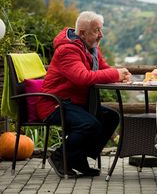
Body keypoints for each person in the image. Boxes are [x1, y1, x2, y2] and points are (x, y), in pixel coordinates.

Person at [36, 11, 131, 178]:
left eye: (101, 30)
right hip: (55, 104)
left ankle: (77, 158)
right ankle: (59, 156)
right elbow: (82, 78)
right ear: (82, 33)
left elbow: (103, 68)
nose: (101, 35)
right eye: (96, 31)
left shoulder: (91, 49)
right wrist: (116, 74)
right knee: (90, 124)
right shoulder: (68, 50)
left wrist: (120, 75)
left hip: (75, 104)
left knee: (111, 117)